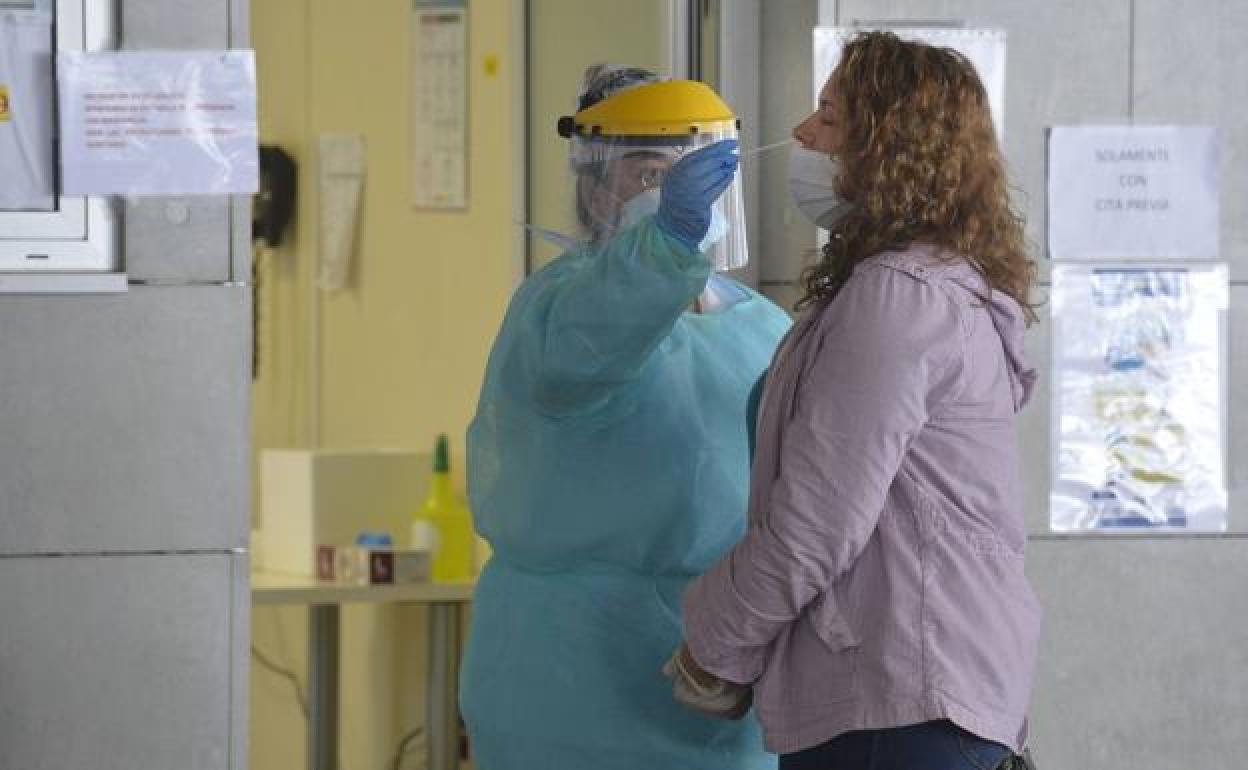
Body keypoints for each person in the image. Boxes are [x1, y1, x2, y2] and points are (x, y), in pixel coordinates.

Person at [673, 31, 1042, 770]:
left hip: (897, 705)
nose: (801, 134)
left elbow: (815, 524)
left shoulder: (897, 299)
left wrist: (711, 645)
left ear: (889, 147)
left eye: (830, 117)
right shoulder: (930, 288)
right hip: (918, 697)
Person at [459, 64, 791, 770]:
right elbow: (608, 326)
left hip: (724, 687)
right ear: (594, 186)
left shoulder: (761, 325)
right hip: (573, 691)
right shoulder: (561, 310)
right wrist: (666, 241)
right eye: (648, 171)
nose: (673, 189)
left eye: (692, 171)